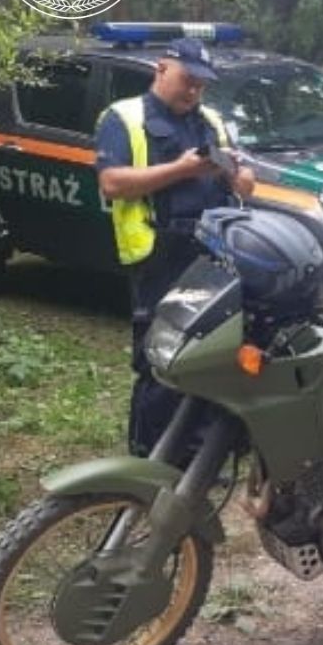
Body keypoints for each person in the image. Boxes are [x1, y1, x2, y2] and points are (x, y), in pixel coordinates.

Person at [95, 37, 256, 456]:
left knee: (208, 353)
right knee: (159, 360)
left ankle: (195, 456)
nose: (194, 91)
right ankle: (148, 455)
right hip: (160, 255)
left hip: (211, 254)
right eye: (188, 80)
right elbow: (112, 183)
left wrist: (232, 174)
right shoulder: (124, 117)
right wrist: (181, 170)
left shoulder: (212, 121)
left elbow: (246, 183)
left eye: (202, 85)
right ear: (162, 69)